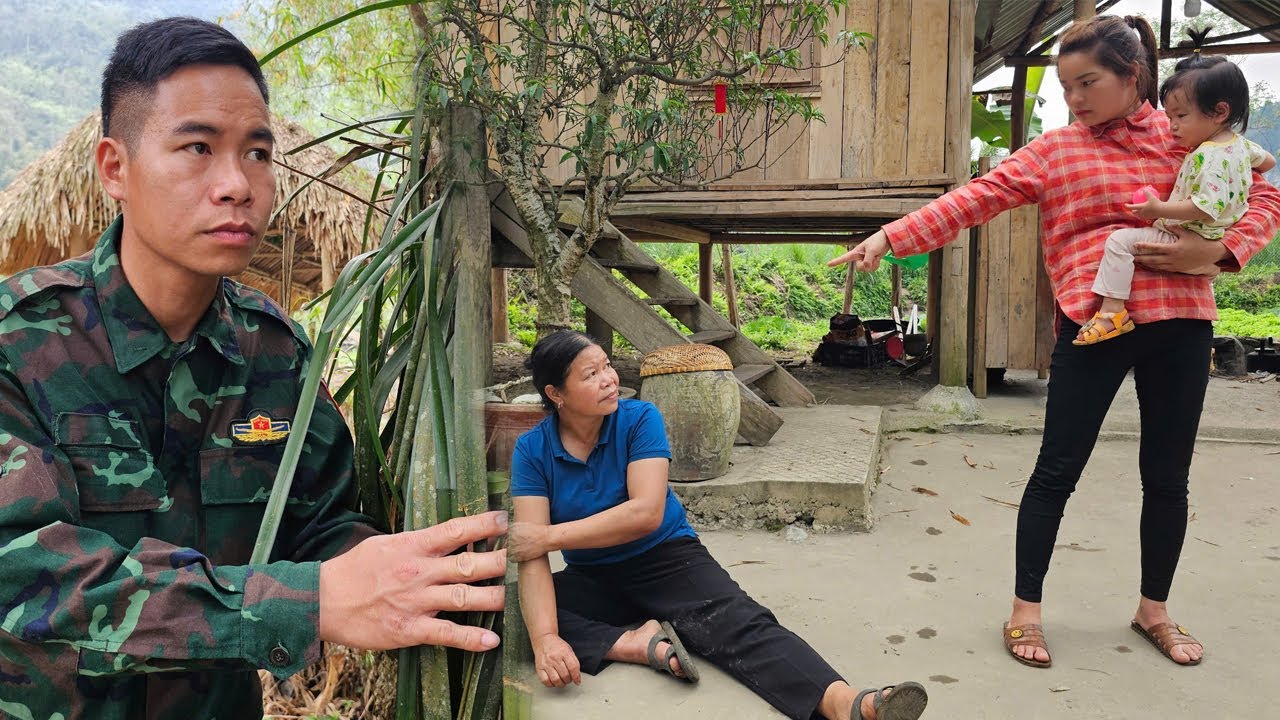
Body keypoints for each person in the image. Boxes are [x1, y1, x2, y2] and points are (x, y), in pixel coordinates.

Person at [0, 18, 506, 718]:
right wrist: (305, 604)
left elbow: (320, 521)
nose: (237, 184)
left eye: (258, 153)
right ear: (115, 168)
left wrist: (426, 567)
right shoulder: (18, 343)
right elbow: (27, 576)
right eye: (198, 148)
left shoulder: (276, 351)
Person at [828, 15, 1280, 668]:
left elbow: (1263, 197)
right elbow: (976, 197)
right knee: (1057, 469)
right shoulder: (1057, 150)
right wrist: (890, 237)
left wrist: (1221, 253)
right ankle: (1025, 611)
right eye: (1066, 86)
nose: (1074, 98)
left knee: (1168, 477)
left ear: (1133, 76)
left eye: (1087, 82)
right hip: (1095, 325)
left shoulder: (1186, 133)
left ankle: (1154, 609)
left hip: (1183, 323)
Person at [505, 330, 929, 720]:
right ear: (555, 394)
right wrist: (545, 640)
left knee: (739, 624)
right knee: (511, 610)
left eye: (607, 366)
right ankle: (631, 643)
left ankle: (847, 704)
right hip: (594, 575)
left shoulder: (638, 419)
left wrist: (547, 536)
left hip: (666, 559)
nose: (610, 380)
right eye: (591, 374)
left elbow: (645, 513)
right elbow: (529, 553)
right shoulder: (532, 450)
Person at [1076, 53, 1277, 345]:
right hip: (1212, 252)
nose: (1172, 127)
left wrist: (1158, 208)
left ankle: (1111, 314)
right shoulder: (1242, 146)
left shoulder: (1208, 157)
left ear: (1220, 112)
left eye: (1181, 116)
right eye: (1170, 117)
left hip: (1186, 235)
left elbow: (1204, 208)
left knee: (1119, 242)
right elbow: (1269, 161)